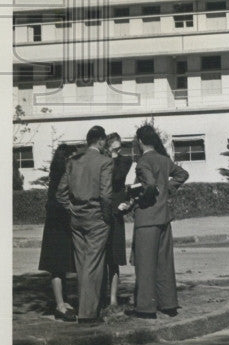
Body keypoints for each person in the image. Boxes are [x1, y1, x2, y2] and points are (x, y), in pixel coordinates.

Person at [127, 124, 188, 320]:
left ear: (140, 142)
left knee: (145, 265)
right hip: (164, 217)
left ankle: (145, 308)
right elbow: (182, 174)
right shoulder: (163, 159)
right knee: (164, 263)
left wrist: (139, 197)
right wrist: (167, 189)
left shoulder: (142, 162)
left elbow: (150, 185)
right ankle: (169, 304)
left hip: (146, 218)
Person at [56, 125, 113, 324]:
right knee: (93, 264)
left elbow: (60, 193)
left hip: (77, 217)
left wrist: (70, 207)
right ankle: (88, 314)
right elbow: (106, 194)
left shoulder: (73, 162)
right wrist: (106, 216)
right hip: (96, 216)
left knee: (82, 265)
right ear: (101, 141)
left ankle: (85, 308)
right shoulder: (105, 162)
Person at [38, 144, 77, 321]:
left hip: (57, 223)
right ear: (66, 158)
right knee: (56, 265)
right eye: (73, 157)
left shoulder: (57, 174)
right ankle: (60, 304)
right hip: (57, 224)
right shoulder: (62, 176)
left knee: (61, 265)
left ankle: (63, 301)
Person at [103, 132, 132, 309]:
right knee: (100, 257)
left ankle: (113, 298)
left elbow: (117, 177)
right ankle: (100, 296)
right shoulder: (102, 160)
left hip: (116, 211)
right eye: (114, 148)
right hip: (102, 211)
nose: (118, 151)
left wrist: (111, 157)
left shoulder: (124, 161)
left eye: (119, 148)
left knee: (114, 258)